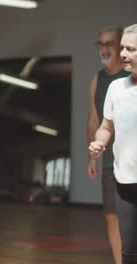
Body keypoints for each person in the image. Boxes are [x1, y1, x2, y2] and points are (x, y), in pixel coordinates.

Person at [89, 24, 137, 264]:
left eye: (130, 49)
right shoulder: (112, 86)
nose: (123, 54)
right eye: (123, 49)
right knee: (126, 243)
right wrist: (96, 146)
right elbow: (102, 124)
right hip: (122, 174)